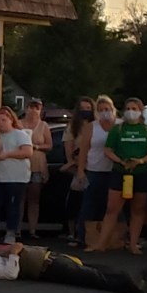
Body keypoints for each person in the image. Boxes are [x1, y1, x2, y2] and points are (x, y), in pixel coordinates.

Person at [0, 241, 147, 293]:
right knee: (93, 276)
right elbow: (11, 273)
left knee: (99, 269)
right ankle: (134, 285)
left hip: (50, 259)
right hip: (45, 268)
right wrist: (14, 252)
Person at [86, 98, 147, 255]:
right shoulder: (118, 130)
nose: (131, 111)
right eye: (128, 108)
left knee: (138, 209)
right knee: (112, 209)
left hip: (141, 173)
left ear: (141, 110)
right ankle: (101, 244)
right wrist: (120, 161)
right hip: (120, 172)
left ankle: (133, 244)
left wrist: (140, 160)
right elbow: (108, 149)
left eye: (134, 108)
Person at [0, 107, 32, 244]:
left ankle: (11, 233)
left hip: (17, 177)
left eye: (4, 120)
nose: (1, 123)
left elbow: (27, 152)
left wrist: (7, 154)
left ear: (11, 120)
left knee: (13, 205)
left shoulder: (20, 134)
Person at [76, 96, 118, 249]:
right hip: (94, 170)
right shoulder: (92, 127)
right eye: (100, 110)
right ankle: (84, 236)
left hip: (115, 171)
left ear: (113, 110)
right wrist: (81, 170)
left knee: (113, 207)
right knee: (89, 205)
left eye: (107, 109)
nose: (104, 113)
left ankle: (114, 237)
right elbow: (84, 150)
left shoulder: (119, 125)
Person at [62, 97, 95, 244]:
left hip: (94, 167)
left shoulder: (96, 126)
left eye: (89, 108)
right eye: (83, 108)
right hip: (77, 168)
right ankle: (72, 232)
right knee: (75, 202)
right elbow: (69, 151)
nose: (85, 111)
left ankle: (90, 233)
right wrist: (74, 162)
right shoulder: (72, 128)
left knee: (90, 203)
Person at [20, 98, 53, 239]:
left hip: (37, 165)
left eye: (37, 108)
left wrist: (36, 146)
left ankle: (32, 230)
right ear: (26, 108)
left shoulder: (43, 125)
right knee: (20, 199)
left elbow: (49, 145)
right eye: (31, 107)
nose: (34, 111)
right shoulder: (19, 124)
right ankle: (16, 229)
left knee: (34, 199)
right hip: (21, 165)